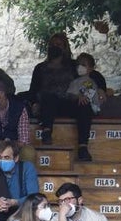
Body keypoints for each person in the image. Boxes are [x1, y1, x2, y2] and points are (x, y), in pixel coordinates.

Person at [30, 33, 93, 161]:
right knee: (49, 97)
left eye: (58, 45)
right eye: (52, 45)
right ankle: (47, 132)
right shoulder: (40, 68)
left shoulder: (74, 66)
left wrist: (102, 89)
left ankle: (82, 147)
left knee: (85, 105)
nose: (55, 47)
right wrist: (34, 103)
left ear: (65, 47)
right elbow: (33, 90)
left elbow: (92, 75)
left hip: (69, 101)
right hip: (48, 105)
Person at [0, 140, 39, 221]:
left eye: (6, 157)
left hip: (21, 209)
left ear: (16, 158)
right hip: (0, 210)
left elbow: (33, 196)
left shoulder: (27, 168)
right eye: (0, 157)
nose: (2, 161)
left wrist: (14, 202)